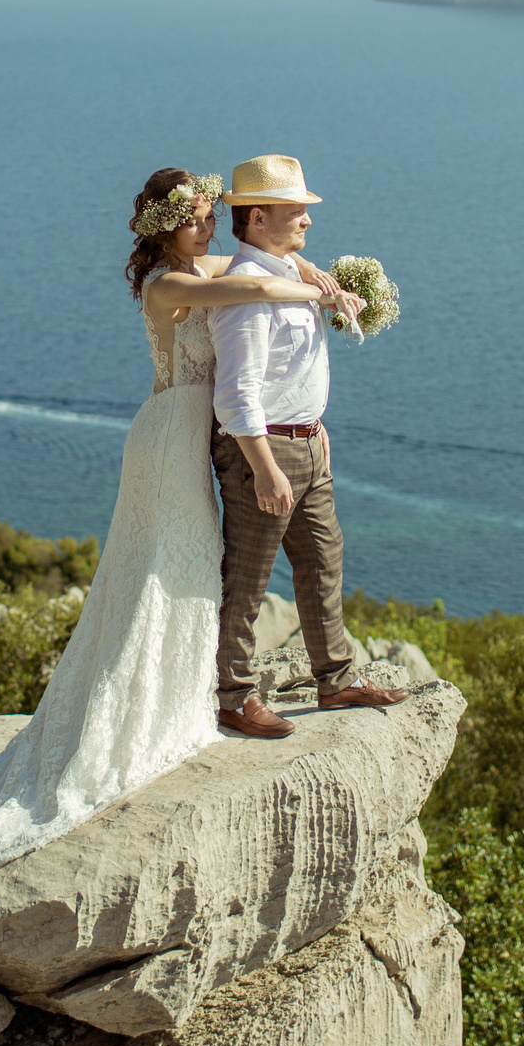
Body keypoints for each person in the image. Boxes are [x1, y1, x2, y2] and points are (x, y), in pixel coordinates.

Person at [0, 166, 361, 893]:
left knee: (189, 573)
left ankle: (194, 687)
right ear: (166, 227)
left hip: (201, 436)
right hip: (170, 435)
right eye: (196, 218)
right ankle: (198, 695)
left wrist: (328, 279)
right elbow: (260, 286)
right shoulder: (167, 284)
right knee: (170, 564)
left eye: (207, 216)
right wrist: (311, 290)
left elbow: (277, 265)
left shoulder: (208, 263)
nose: (207, 227)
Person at [209, 154, 407, 739]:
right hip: (264, 452)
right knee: (247, 577)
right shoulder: (247, 294)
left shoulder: (293, 272)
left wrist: (313, 429)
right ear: (258, 218)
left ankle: (336, 679)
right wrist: (266, 469)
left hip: (307, 444)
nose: (308, 220)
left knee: (323, 563)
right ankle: (235, 697)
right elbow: (236, 394)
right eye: (295, 211)